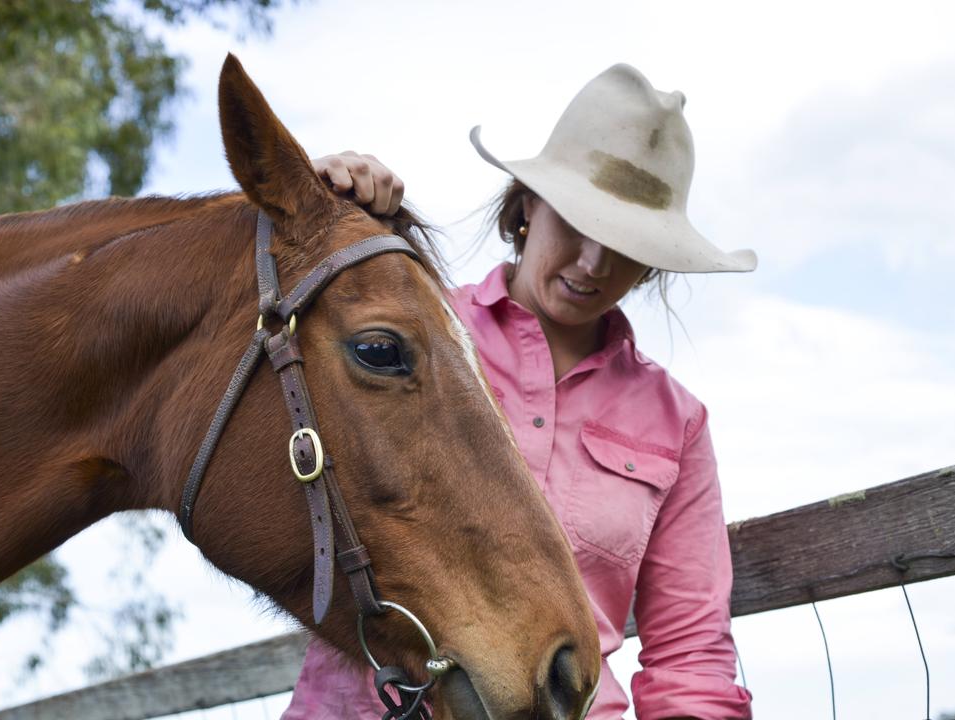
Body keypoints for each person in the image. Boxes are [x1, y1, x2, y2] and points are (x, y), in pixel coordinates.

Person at [282, 64, 756, 720]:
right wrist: (329, 207)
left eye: (625, 243)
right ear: (527, 204)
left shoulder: (675, 424)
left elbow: (690, 653)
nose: (592, 263)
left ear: (654, 261)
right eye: (576, 222)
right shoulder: (395, 345)